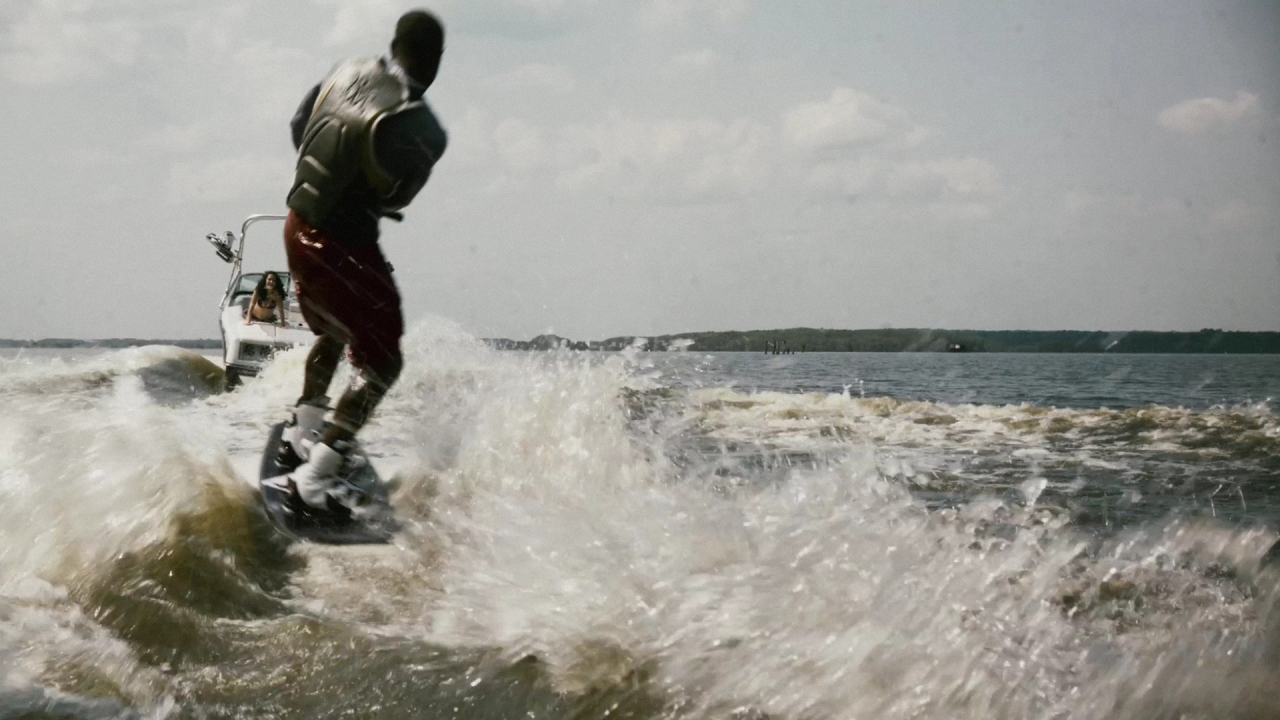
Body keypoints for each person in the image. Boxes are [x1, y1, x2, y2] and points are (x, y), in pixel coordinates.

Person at [273, 9, 447, 511]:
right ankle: (315, 479)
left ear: (393, 46)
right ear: (437, 59)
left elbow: (300, 127)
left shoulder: (347, 70)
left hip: (296, 224)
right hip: (341, 243)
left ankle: (302, 433)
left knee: (335, 330)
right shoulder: (422, 125)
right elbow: (397, 196)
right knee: (384, 362)